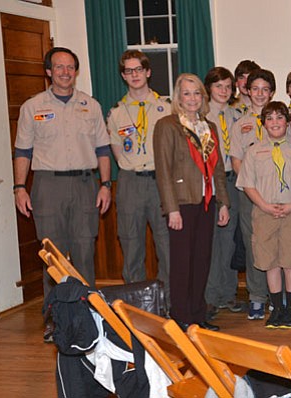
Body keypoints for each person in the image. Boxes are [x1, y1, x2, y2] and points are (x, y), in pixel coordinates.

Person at [13, 47, 112, 341]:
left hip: (85, 185)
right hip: (47, 186)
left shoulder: (90, 105)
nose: (65, 72)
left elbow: (103, 149)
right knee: (52, 257)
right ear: (48, 72)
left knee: (83, 253)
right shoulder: (32, 107)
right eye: (59, 67)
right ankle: (55, 319)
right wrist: (20, 188)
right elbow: (23, 151)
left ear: (76, 71)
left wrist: (106, 184)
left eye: (70, 67)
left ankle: (89, 316)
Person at [153, 73, 230, 331]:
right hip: (182, 204)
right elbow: (163, 171)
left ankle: (197, 314)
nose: (192, 98)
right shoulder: (168, 125)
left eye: (196, 92)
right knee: (182, 263)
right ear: (178, 97)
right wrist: (171, 209)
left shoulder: (209, 127)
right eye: (186, 93)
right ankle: (181, 316)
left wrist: (224, 203)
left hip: (206, 202)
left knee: (201, 260)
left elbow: (217, 169)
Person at [107, 50, 170, 293]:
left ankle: (167, 300)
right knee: (131, 242)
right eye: (129, 71)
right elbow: (117, 150)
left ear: (148, 72)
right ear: (123, 76)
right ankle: (136, 301)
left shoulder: (166, 107)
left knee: (166, 244)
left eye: (138, 69)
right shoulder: (116, 112)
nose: (134, 75)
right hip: (130, 182)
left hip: (160, 182)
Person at [236, 102, 291, 329]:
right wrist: (264, 205)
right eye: (270, 118)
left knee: (290, 260)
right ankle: (277, 307)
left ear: (287, 121)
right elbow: (247, 184)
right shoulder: (254, 151)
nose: (275, 122)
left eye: (280, 117)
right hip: (264, 211)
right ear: (263, 123)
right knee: (270, 260)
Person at [230, 69, 278, 320]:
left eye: (265, 89)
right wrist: (251, 187)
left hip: (278, 194)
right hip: (250, 193)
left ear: (272, 93)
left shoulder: (283, 120)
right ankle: (257, 296)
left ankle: (276, 296)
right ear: (247, 91)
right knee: (253, 245)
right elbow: (236, 159)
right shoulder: (241, 123)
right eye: (255, 89)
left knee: (276, 244)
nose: (260, 94)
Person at [203, 66, 245, 317]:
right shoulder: (202, 117)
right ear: (209, 88)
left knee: (229, 240)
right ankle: (210, 295)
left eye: (228, 87)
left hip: (233, 180)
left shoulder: (236, 115)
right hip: (210, 183)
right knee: (211, 241)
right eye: (218, 86)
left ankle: (228, 294)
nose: (224, 91)